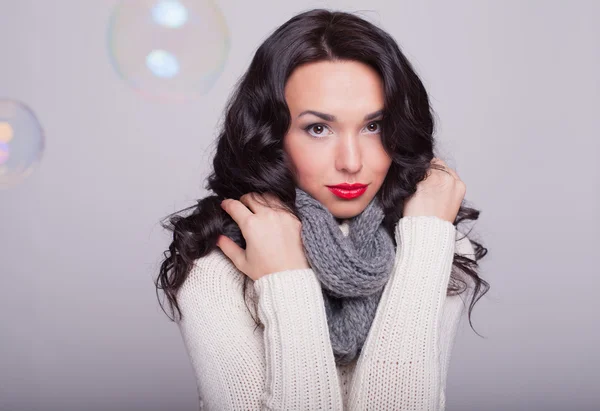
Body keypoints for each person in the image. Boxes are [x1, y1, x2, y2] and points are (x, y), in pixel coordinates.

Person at [155, 8, 490, 410]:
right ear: (271, 135)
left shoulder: (432, 243)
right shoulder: (217, 264)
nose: (351, 161)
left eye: (374, 126)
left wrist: (427, 243)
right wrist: (286, 280)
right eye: (318, 128)